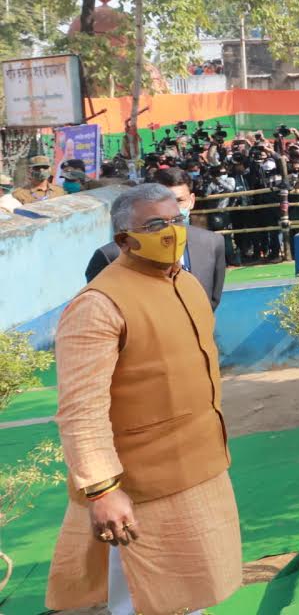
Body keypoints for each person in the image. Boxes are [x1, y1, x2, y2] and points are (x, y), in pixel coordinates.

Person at [45, 184, 242, 615]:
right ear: (123, 240)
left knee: (192, 597)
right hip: (138, 488)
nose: (170, 233)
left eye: (175, 221)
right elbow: (81, 410)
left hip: (199, 468)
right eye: (154, 225)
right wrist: (102, 490)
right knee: (141, 599)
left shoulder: (186, 284)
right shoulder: (98, 304)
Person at [84, 168, 228, 309]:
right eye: (162, 202)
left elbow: (212, 301)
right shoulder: (109, 256)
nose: (172, 209)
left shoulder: (212, 243)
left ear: (191, 201)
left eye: (179, 201)